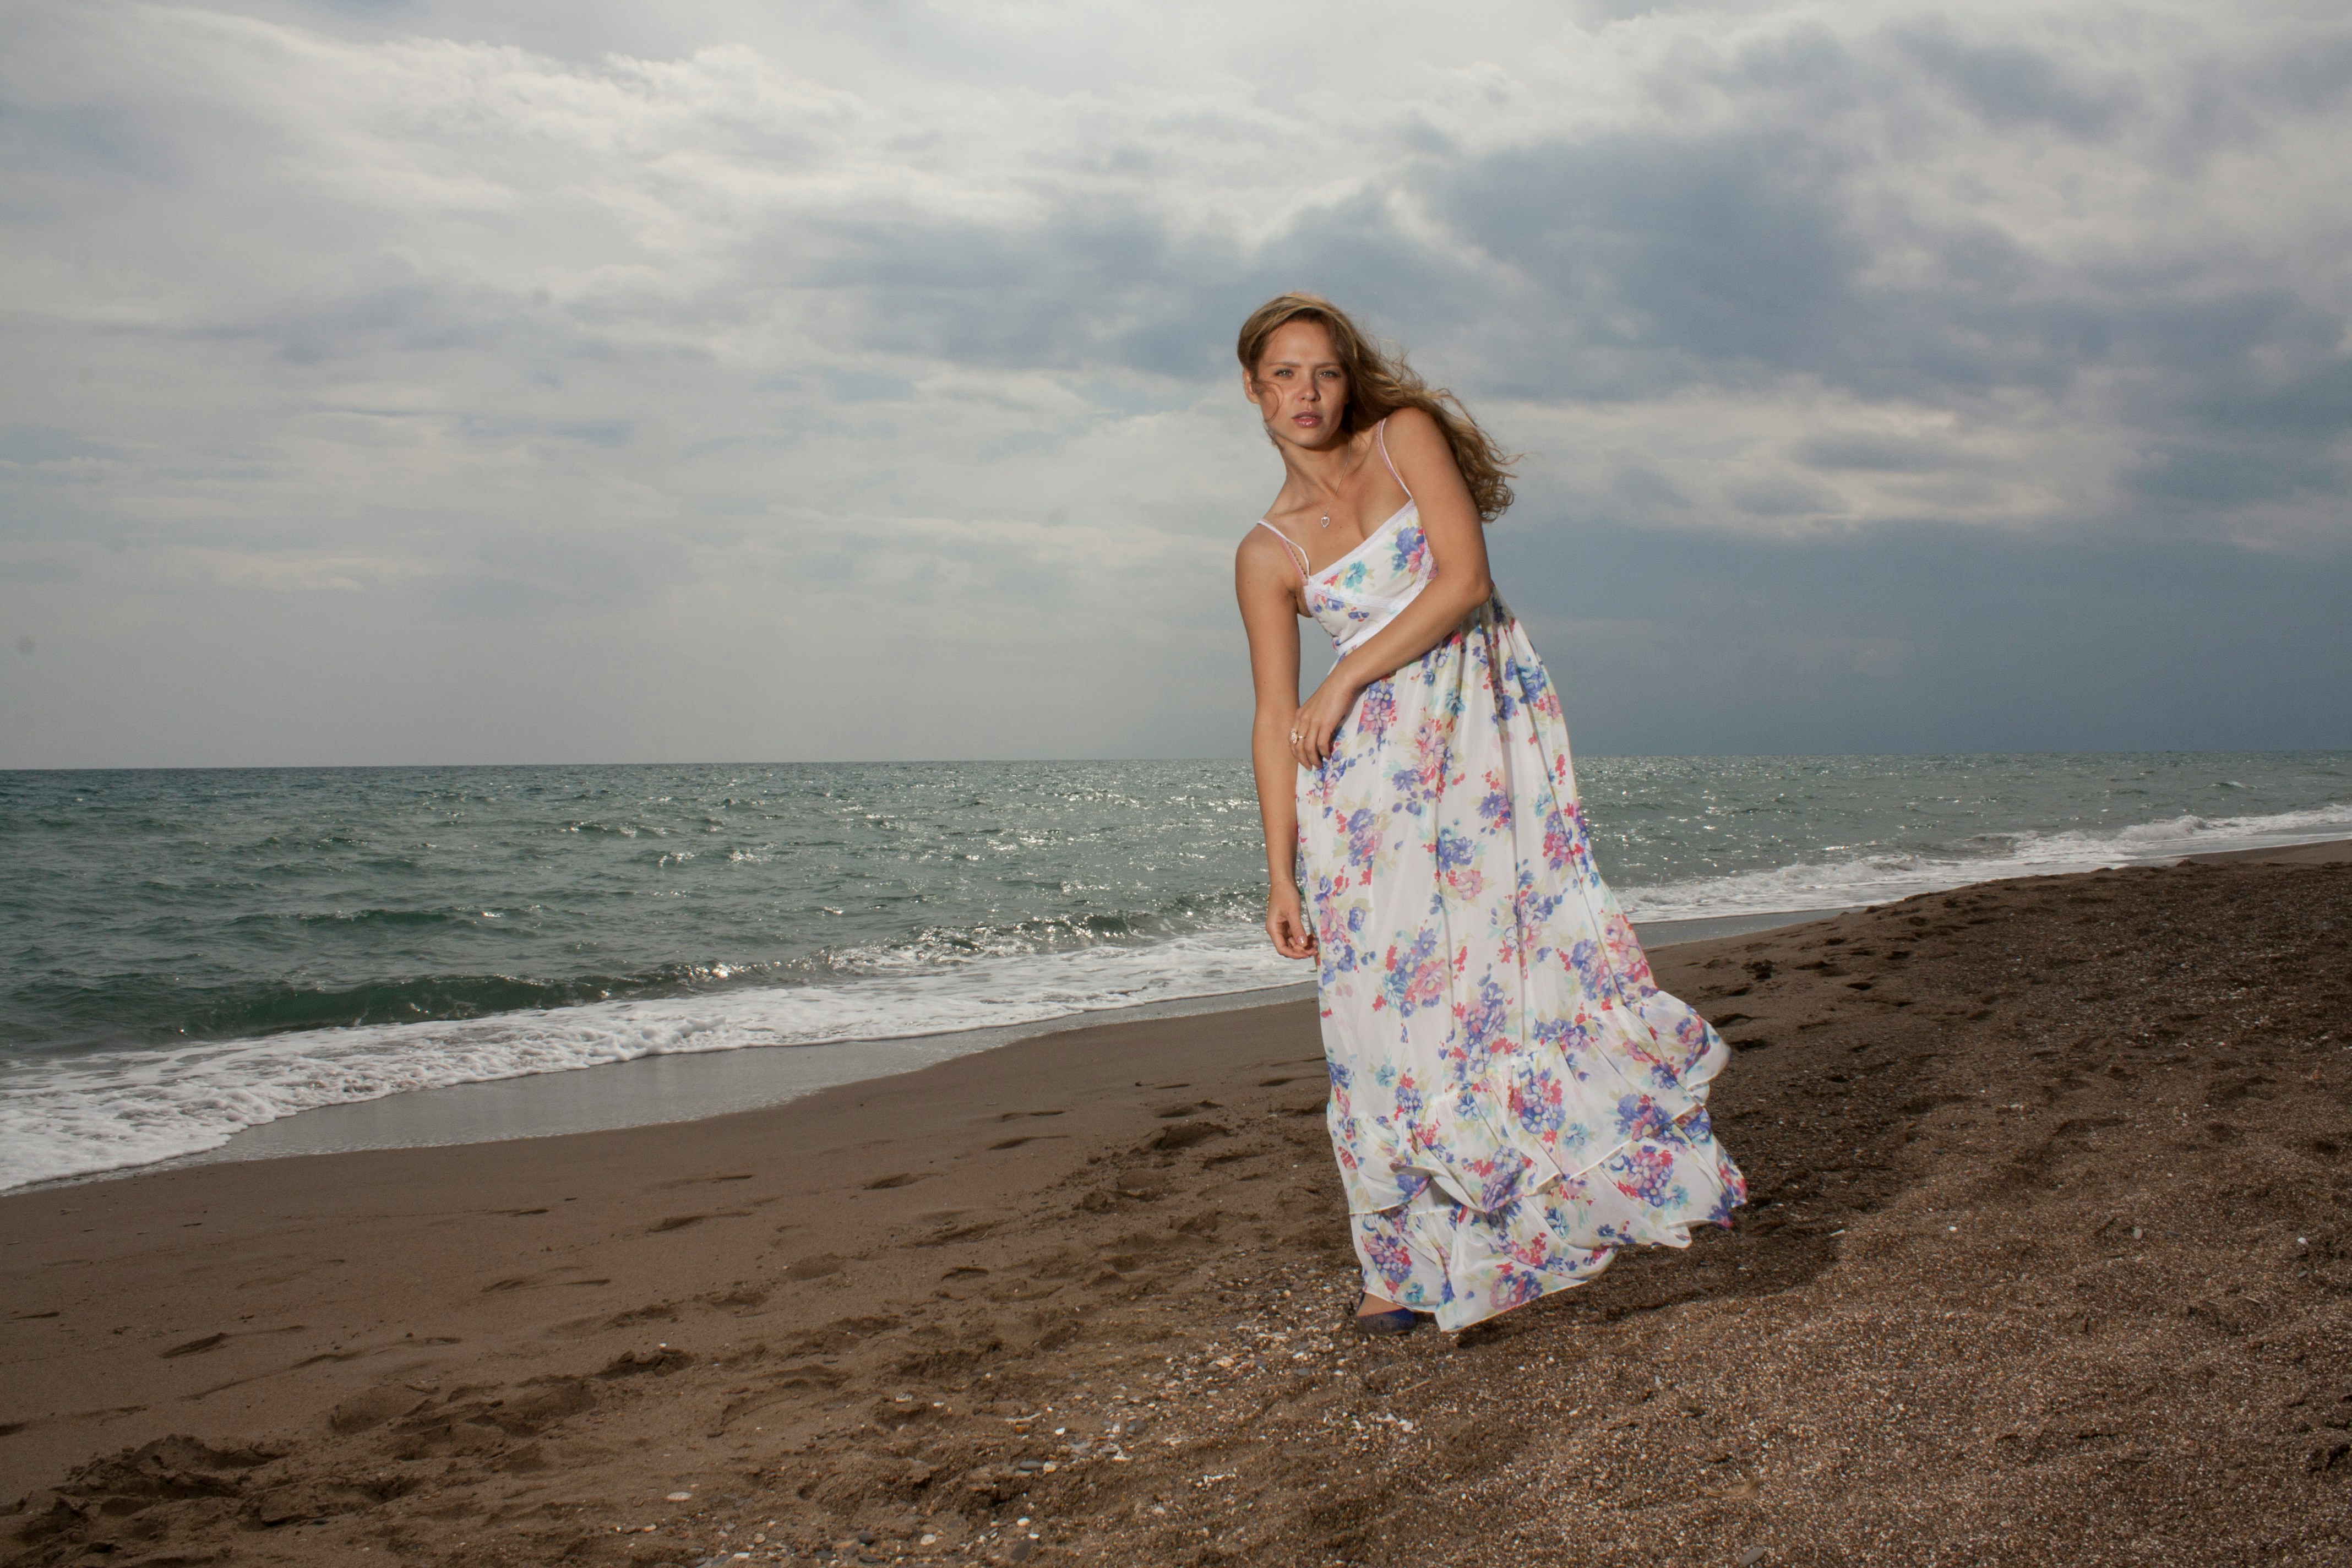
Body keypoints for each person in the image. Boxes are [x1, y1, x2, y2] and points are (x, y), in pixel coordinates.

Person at [1232, 293, 1747, 1334]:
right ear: (1253, 390)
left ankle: (1552, 1201)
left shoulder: (1405, 438)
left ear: (1349, 376)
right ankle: (1392, 1271)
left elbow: (1465, 582)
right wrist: (1281, 873)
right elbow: (1269, 720)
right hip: (1364, 807)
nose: (1306, 394)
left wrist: (1344, 683)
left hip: (1476, 760)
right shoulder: (1265, 553)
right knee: (1375, 1025)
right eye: (1283, 375)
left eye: (1323, 371)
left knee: (1513, 981)